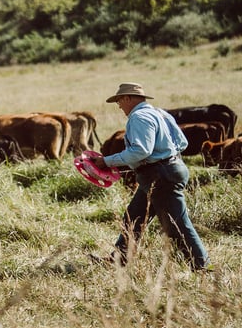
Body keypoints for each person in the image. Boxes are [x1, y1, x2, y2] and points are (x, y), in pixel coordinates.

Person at [89, 82, 209, 271]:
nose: (119, 105)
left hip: (159, 175)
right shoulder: (160, 113)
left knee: (177, 224)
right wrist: (167, 155)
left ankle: (200, 266)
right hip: (167, 170)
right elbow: (182, 142)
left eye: (119, 100)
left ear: (128, 98)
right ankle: (119, 258)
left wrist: (107, 161)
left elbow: (140, 151)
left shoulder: (139, 117)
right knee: (134, 216)